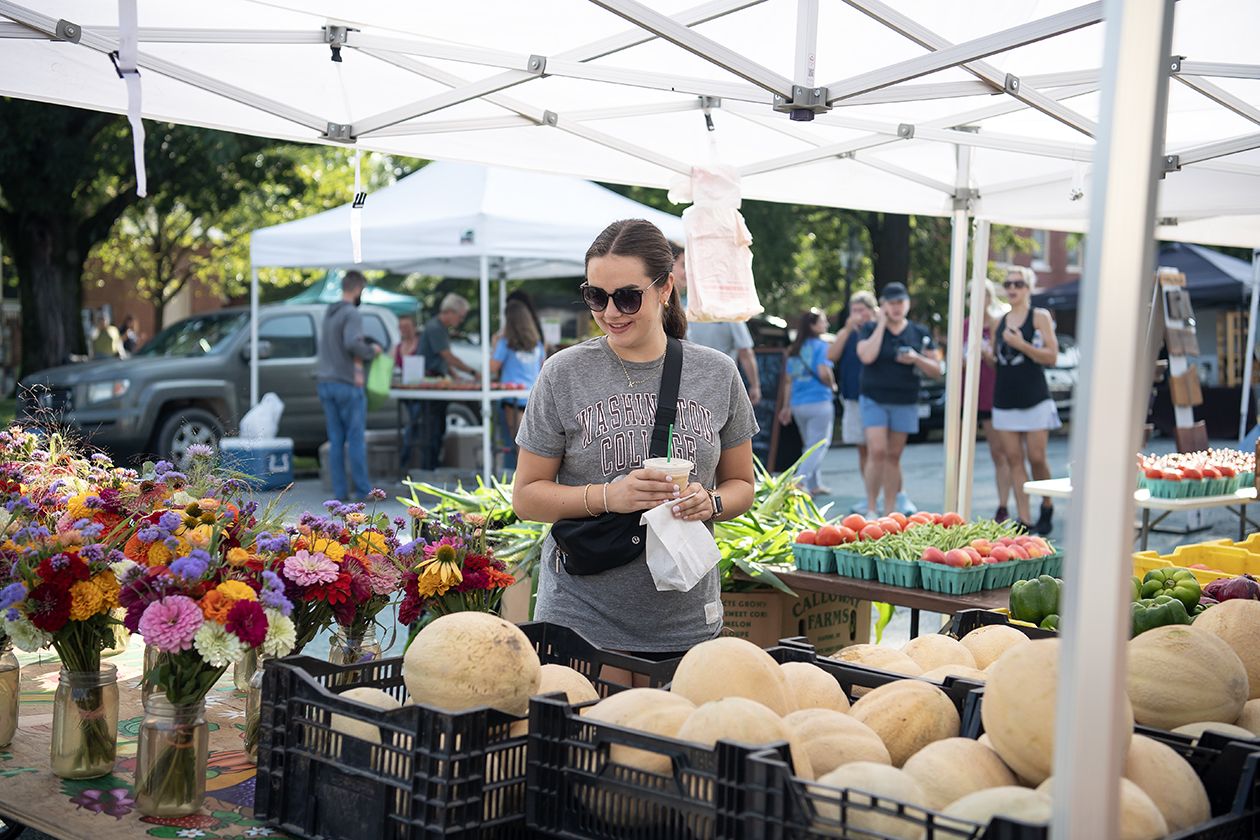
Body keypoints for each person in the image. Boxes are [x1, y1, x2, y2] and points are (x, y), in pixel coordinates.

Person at [513, 218, 758, 655]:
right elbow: (527, 497)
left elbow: (742, 485)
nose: (610, 313)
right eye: (595, 296)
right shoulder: (563, 373)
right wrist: (611, 496)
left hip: (686, 621)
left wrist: (711, 502)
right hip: (579, 616)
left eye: (627, 297)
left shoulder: (717, 373)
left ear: (664, 289)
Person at [855, 282, 943, 518]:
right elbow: (866, 356)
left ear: (907, 304)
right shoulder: (870, 328)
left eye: (900, 302)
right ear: (883, 306)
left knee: (893, 456)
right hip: (874, 397)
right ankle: (871, 508)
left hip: (905, 400)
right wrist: (881, 325)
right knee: (878, 451)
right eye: (891, 303)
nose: (896, 307)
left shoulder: (919, 331)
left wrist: (916, 359)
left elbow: (937, 369)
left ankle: (890, 512)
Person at [986, 266, 1060, 535]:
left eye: (1018, 283)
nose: (1012, 288)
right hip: (1005, 398)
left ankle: (1047, 504)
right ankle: (1025, 519)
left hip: (1035, 397)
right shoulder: (998, 321)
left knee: (1037, 457)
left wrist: (1023, 346)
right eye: (1008, 284)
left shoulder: (1039, 316)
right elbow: (999, 363)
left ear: (1028, 287)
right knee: (1014, 459)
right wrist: (987, 357)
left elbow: (1051, 356)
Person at [834, 291, 916, 515]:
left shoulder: (880, 329)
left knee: (888, 453)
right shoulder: (853, 332)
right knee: (870, 453)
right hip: (854, 396)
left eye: (863, 310)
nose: (859, 315)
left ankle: (899, 495)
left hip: (879, 396)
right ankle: (872, 499)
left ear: (874, 310)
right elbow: (831, 355)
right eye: (854, 310)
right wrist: (845, 329)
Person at [316, 270, 382, 502]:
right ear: (357, 289)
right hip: (347, 383)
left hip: (325, 382)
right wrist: (372, 351)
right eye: (362, 291)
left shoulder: (329, 312)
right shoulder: (352, 313)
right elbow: (352, 343)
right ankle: (364, 491)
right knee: (355, 439)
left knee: (336, 440)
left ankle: (340, 493)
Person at [671, 243, 762, 405]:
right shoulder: (729, 310)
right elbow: (746, 352)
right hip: (720, 388)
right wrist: (755, 385)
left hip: (687, 387)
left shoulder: (684, 308)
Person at [963, 280, 1014, 522]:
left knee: (999, 452)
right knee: (961, 453)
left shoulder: (996, 325)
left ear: (990, 298)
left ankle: (1003, 506)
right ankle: (957, 504)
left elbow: (999, 361)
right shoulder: (962, 326)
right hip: (966, 397)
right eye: (972, 295)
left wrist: (987, 354)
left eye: (982, 295)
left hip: (991, 396)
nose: (976, 299)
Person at [413, 293, 477, 470]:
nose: (461, 320)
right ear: (449, 311)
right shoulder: (435, 328)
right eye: (460, 315)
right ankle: (429, 466)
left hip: (436, 381)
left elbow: (443, 359)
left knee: (438, 426)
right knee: (431, 427)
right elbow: (446, 356)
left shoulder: (439, 329)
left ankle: (433, 464)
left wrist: (456, 376)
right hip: (429, 384)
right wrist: (472, 372)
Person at [777, 308, 836, 496]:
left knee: (809, 444)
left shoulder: (794, 349)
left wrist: (786, 407)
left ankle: (815, 484)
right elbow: (824, 370)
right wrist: (833, 385)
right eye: (823, 321)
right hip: (819, 401)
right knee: (820, 444)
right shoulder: (822, 346)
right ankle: (799, 481)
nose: (826, 325)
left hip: (797, 404)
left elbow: (788, 381)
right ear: (812, 326)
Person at [490, 299, 544, 470]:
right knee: (533, 445)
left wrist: (494, 345)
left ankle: (519, 483)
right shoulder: (537, 344)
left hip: (512, 400)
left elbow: (492, 368)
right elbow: (544, 368)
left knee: (518, 444)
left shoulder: (505, 343)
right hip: (533, 397)